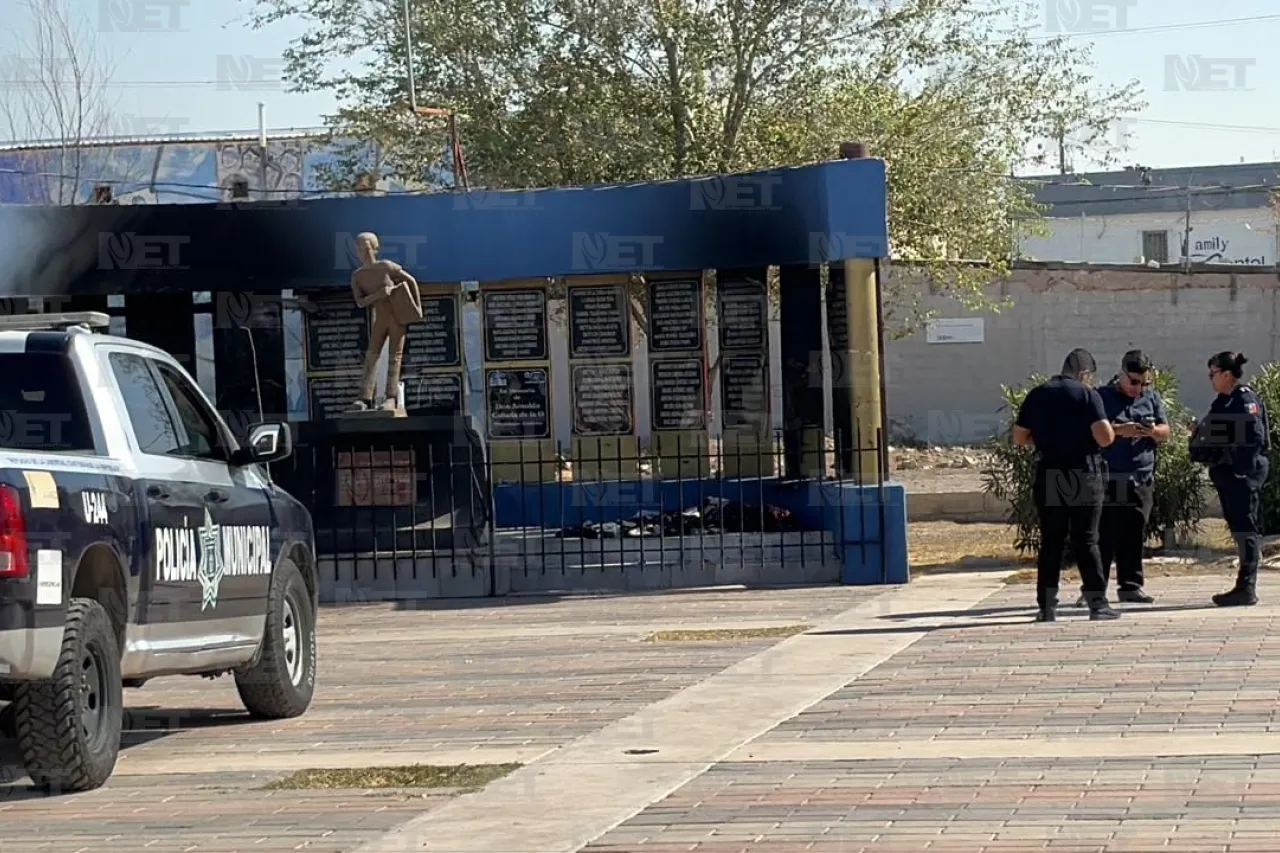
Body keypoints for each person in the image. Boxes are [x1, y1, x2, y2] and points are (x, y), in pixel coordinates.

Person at [1013, 348, 1121, 622]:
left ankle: (1047, 607)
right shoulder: (1087, 395)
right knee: (1087, 539)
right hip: (1083, 473)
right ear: (1084, 373)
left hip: (1049, 473)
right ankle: (1097, 604)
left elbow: (1019, 436)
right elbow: (1105, 437)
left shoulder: (1038, 394)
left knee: (1051, 540)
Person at [1078, 350, 1169, 606]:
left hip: (1141, 477)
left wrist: (1152, 431)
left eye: (1144, 382)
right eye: (1134, 381)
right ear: (1121, 375)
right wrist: (1119, 431)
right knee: (1104, 536)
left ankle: (1130, 586)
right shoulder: (1101, 397)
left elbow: (1166, 430)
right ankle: (1095, 589)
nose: (1138, 388)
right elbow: (1092, 431)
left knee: (1134, 534)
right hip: (1110, 477)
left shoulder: (1150, 397)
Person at [1189, 351, 1271, 606]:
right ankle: (1242, 586)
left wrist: (1239, 468)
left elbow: (1254, 437)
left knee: (1246, 529)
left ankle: (1247, 587)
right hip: (1226, 474)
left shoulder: (1244, 399)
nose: (1210, 379)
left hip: (1241, 475)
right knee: (1238, 528)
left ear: (1227, 374)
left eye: (1213, 374)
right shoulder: (1223, 401)